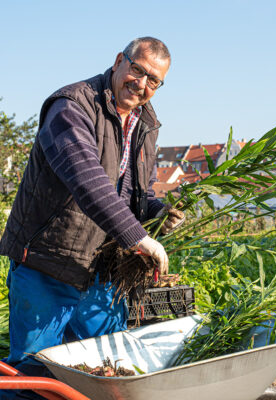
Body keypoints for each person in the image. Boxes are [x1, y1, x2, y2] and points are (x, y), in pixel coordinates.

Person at [0, 36, 184, 399]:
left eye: (154, 80)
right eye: (137, 70)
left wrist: (159, 213)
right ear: (119, 61)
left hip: (103, 273)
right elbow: (87, 180)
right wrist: (138, 237)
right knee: (34, 378)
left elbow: (137, 192)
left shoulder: (146, 125)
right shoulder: (71, 107)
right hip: (48, 264)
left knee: (103, 372)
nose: (142, 84)